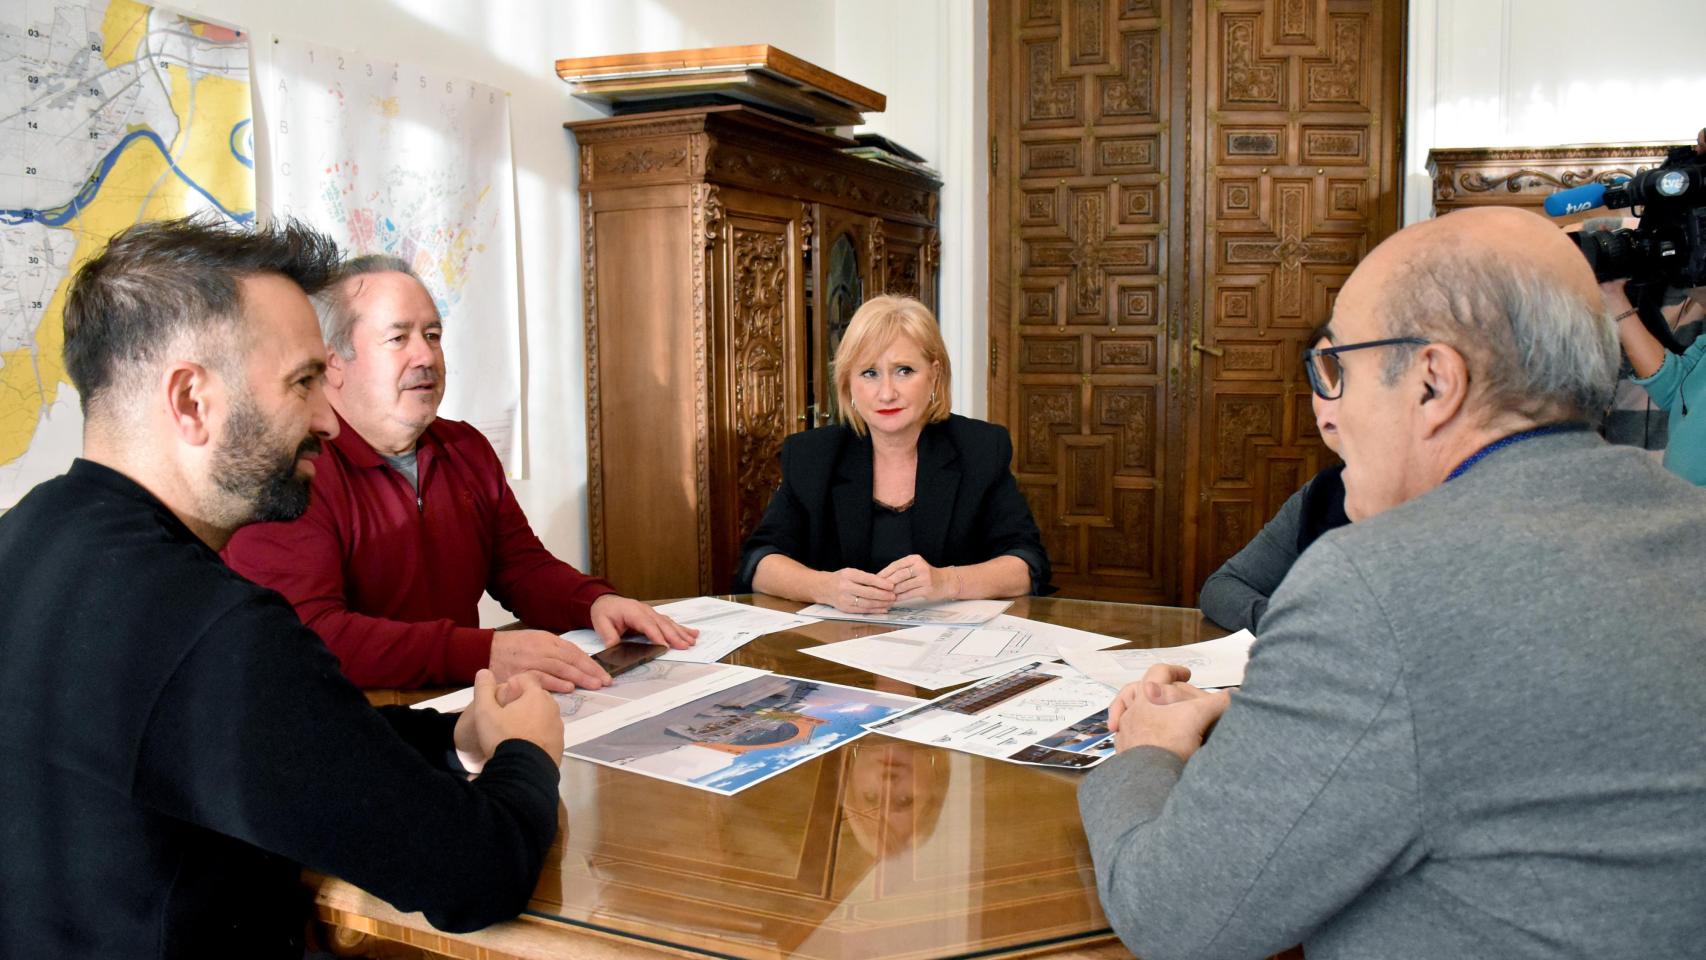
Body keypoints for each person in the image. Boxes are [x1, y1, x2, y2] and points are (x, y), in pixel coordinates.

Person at [1078, 206, 1706, 959]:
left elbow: (1174, 915)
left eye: (1339, 366)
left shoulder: (1376, 584)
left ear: (1434, 382)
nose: (1332, 409)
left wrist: (1146, 750)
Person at [0, 217, 568, 959]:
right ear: (192, 401)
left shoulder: (28, 538)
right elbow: (477, 873)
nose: (329, 420)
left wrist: (448, 734)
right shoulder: (214, 631)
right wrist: (528, 755)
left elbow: (282, 736)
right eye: (304, 382)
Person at [223, 255, 695, 690]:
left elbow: (520, 566)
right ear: (334, 364)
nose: (426, 356)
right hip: (353, 723)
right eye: (398, 338)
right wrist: (484, 651)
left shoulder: (464, 447)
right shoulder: (292, 468)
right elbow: (312, 635)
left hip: (459, 707)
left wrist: (594, 603)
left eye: (432, 335)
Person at [734, 295, 1051, 610]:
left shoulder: (980, 449)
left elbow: (1027, 564)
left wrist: (948, 582)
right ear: (848, 384)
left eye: (904, 370)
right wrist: (824, 587)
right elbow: (760, 562)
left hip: (951, 648)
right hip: (840, 644)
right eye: (869, 373)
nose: (887, 393)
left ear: (934, 374)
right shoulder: (813, 455)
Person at [1198, 326, 1351, 631]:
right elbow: (1221, 588)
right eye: (1320, 382)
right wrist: (1294, 626)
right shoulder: (1323, 492)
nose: (1326, 411)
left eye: (1346, 378)